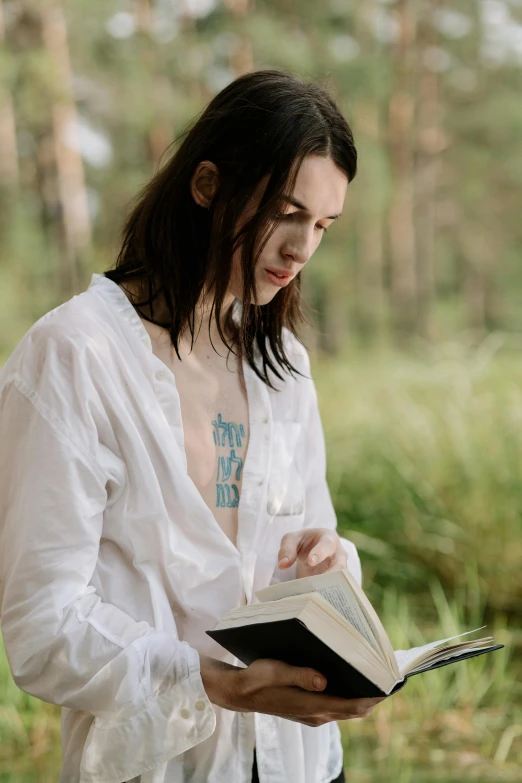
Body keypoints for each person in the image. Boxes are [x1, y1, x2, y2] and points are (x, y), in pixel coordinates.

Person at [0, 70, 385, 783]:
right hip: (161, 764)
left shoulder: (283, 365)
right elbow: (43, 625)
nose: (302, 248)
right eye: (285, 212)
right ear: (207, 185)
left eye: (323, 226)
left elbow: (306, 538)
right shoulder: (75, 357)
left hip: (300, 759)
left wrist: (326, 561)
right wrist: (220, 681)